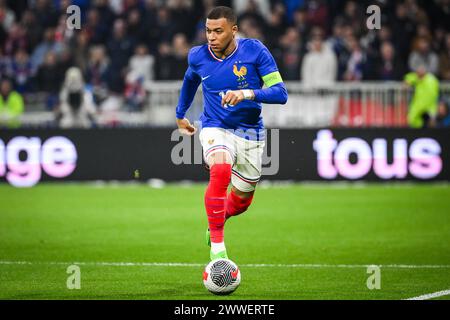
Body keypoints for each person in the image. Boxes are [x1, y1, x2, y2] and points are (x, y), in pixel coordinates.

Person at [175, 6, 288, 261]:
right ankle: (218, 249)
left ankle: (218, 217)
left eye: (218, 31)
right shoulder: (198, 56)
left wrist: (247, 93)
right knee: (221, 169)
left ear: (233, 30)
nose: (211, 37)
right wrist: (180, 114)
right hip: (216, 127)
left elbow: (281, 93)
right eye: (208, 31)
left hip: (251, 133)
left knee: (241, 203)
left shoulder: (255, 51)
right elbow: (190, 79)